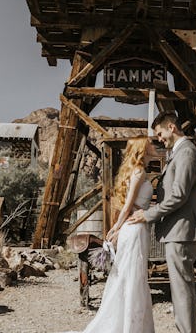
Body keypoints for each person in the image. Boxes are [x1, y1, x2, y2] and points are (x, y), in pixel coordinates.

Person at [127, 111, 196, 333]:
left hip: (182, 233)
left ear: (171, 127)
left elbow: (179, 195)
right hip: (177, 232)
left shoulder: (187, 153)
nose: (159, 139)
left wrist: (148, 215)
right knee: (181, 289)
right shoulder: (178, 153)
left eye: (159, 133)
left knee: (182, 291)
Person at [75, 137, 160, 333]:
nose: (154, 147)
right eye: (150, 145)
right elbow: (128, 206)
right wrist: (116, 228)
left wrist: (119, 228)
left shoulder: (140, 171)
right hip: (135, 228)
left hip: (136, 227)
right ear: (143, 149)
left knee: (133, 277)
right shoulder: (138, 171)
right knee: (132, 278)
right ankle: (129, 327)